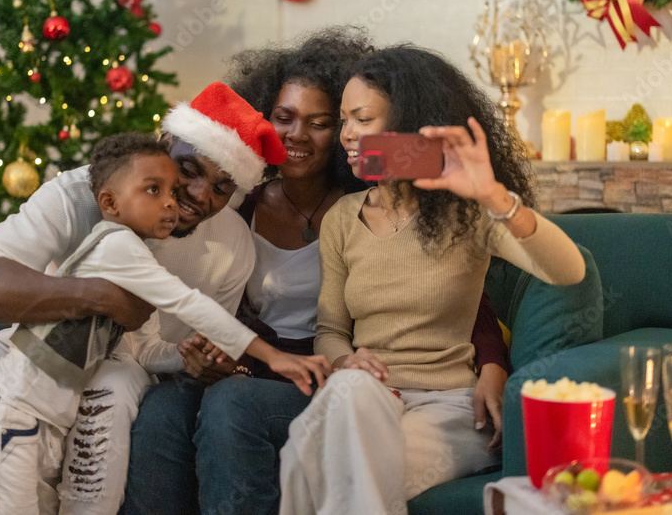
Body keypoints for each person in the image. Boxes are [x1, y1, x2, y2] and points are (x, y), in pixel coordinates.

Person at [123, 29, 511, 515]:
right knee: (162, 409)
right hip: (258, 370)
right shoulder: (235, 207)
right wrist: (217, 360)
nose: (297, 135)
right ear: (264, 120)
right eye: (283, 118)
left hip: (340, 381)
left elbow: (452, 290)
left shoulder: (374, 206)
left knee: (231, 405)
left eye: (322, 122)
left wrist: (493, 363)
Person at [0, 82, 292, 515]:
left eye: (222, 188)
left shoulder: (232, 243)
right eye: (188, 169)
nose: (200, 195)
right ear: (165, 142)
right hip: (37, 346)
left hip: (130, 374)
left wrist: (206, 361)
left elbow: (189, 347)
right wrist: (96, 295)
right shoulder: (83, 192)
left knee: (103, 403)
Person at [277, 44, 587, 515]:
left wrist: (494, 196)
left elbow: (568, 270)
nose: (346, 135)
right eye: (343, 120)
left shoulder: (468, 213)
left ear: (407, 125)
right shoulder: (341, 218)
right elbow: (331, 330)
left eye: (362, 119)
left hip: (450, 408)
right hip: (363, 400)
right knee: (350, 397)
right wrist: (346, 363)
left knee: (320, 465)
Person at [0, 132, 330, 514]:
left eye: (171, 192)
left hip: (53, 409)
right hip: (18, 402)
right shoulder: (118, 246)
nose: (173, 203)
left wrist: (184, 356)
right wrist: (271, 356)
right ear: (110, 202)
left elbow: (144, 346)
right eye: (154, 191)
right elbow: (187, 303)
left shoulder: (143, 249)